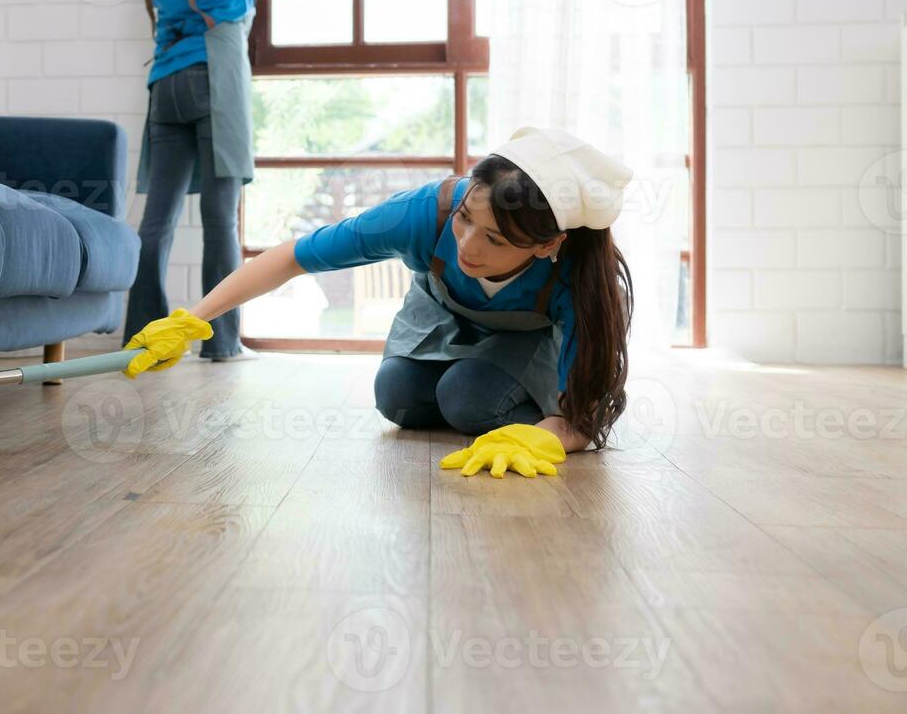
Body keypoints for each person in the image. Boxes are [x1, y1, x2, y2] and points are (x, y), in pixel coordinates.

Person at [122, 127, 636, 478]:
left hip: (525, 339)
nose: (467, 246)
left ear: (548, 246)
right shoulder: (422, 213)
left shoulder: (582, 277)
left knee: (466, 397)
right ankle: (471, 388)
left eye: (497, 241)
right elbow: (294, 258)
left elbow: (581, 413)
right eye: (465, 219)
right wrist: (192, 318)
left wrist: (549, 435)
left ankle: (482, 394)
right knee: (398, 397)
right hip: (442, 314)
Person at [125, 0, 333, 362]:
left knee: (159, 217)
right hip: (214, 76)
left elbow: (158, 6)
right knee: (220, 216)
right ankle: (221, 343)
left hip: (164, 83)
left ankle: (145, 336)